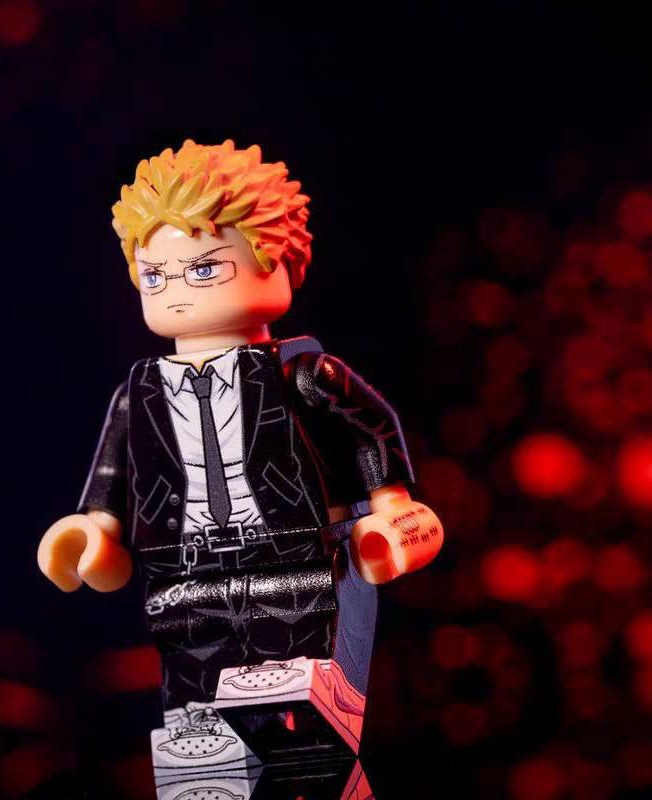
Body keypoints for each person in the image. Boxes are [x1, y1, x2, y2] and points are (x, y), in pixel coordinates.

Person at [37, 139, 444, 770]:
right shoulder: (139, 395)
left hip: (298, 569)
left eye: (204, 271)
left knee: (301, 735)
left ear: (276, 260)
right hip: (185, 584)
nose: (176, 291)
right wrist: (95, 531)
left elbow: (371, 428)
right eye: (156, 277)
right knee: (197, 750)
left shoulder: (303, 375)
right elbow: (113, 477)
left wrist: (391, 504)